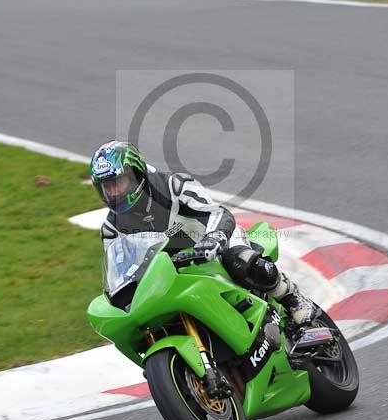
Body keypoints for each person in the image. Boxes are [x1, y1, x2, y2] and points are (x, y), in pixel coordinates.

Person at [90, 140, 316, 329]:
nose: (113, 192)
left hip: (213, 245)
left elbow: (219, 213)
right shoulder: (112, 229)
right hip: (172, 273)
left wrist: (215, 238)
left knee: (238, 259)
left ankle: (292, 298)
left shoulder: (173, 186)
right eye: (106, 187)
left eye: (117, 183)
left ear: (136, 174)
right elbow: (121, 268)